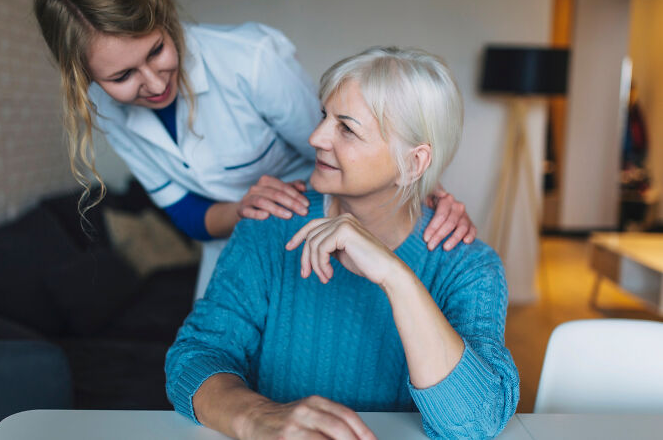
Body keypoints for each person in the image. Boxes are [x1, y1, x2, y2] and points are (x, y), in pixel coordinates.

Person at [33, 0, 477, 298]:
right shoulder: (107, 111)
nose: (153, 82)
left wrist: (429, 191)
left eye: (156, 50)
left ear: (166, 20)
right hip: (234, 243)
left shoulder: (251, 61)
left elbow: (347, 144)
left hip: (321, 221)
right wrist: (242, 208)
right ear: (85, 78)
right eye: (124, 75)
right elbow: (186, 214)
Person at [165, 47, 519, 439]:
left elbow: (476, 422)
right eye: (323, 116)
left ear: (414, 164)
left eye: (346, 128)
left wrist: (394, 275)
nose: (316, 137)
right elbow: (193, 359)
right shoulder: (270, 227)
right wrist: (256, 416)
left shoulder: (468, 266)